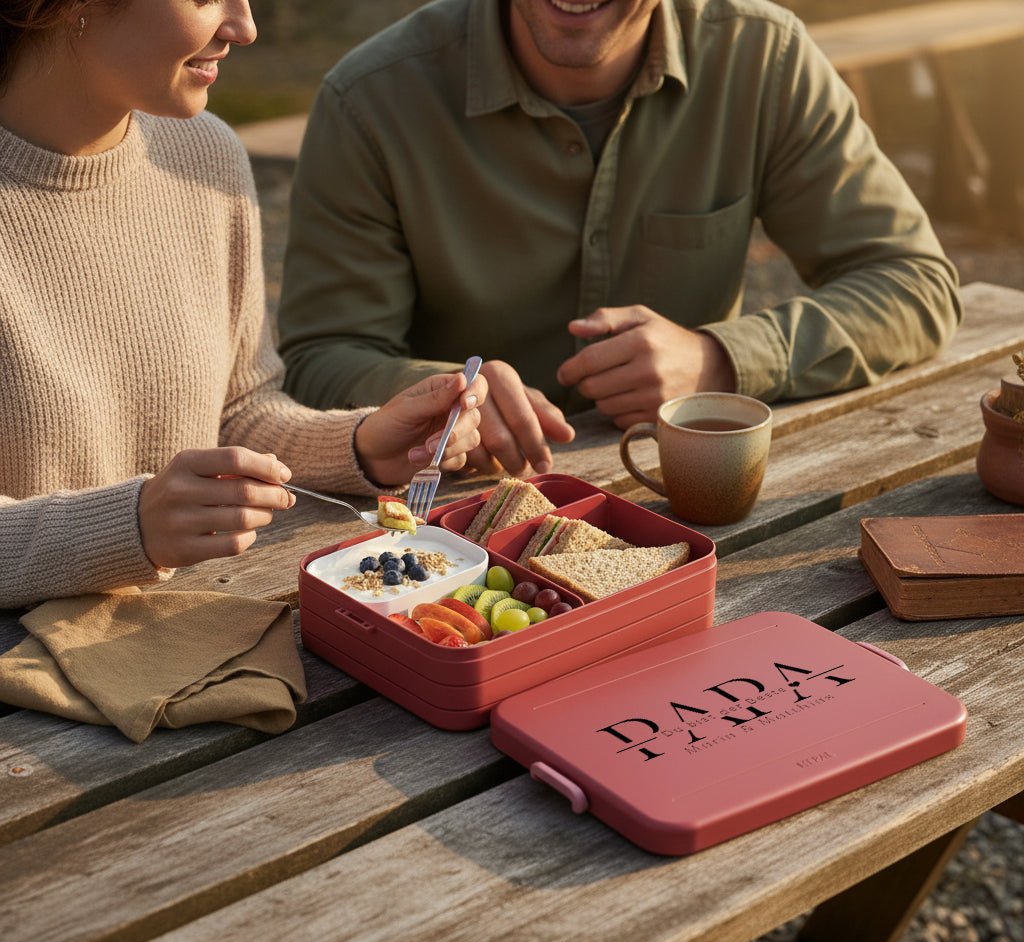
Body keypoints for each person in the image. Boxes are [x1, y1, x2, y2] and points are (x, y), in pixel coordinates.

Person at [277, 0, 961, 481]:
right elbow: (319, 358)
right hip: (452, 526)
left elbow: (913, 282)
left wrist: (719, 359)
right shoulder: (370, 99)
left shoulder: (765, 57)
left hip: (694, 505)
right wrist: (440, 398)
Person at [0, 0, 487, 611]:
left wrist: (360, 444)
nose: (245, 27)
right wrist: (130, 528)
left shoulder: (205, 155)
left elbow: (236, 411)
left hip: (195, 637)